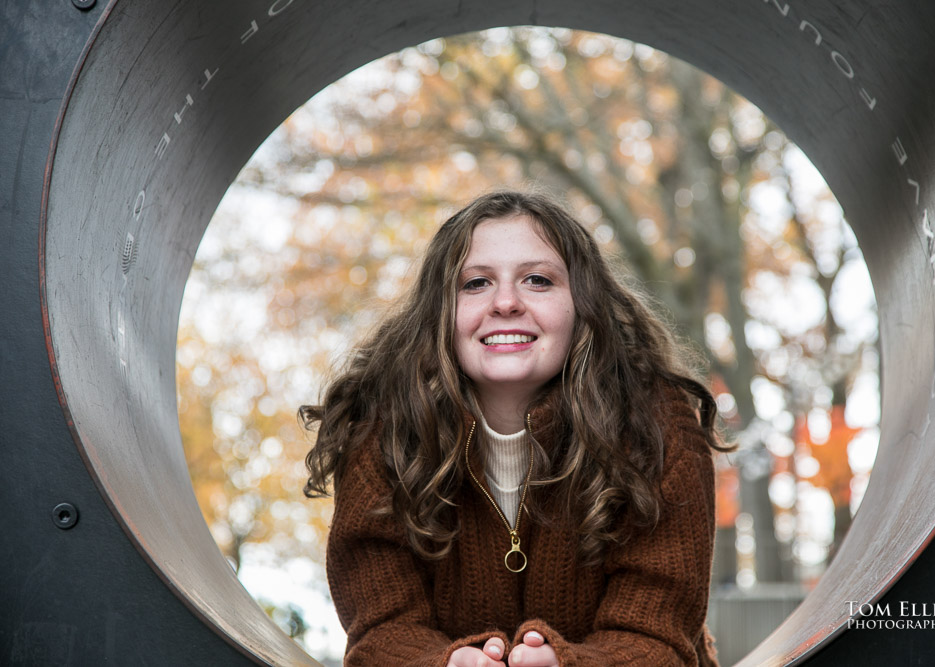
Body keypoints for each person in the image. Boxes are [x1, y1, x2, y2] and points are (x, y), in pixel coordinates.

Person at [301, 190, 729, 666]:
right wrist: (446, 664)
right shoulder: (381, 430)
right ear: (440, 311)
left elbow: (658, 638)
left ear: (582, 304)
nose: (506, 302)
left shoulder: (657, 424)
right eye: (476, 283)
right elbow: (381, 632)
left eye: (537, 280)